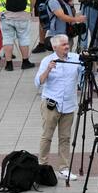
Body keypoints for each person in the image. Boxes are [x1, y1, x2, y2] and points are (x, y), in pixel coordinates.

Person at [34, 34, 82, 179]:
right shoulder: (47, 60)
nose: (67, 46)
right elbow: (38, 82)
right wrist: (48, 70)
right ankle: (42, 165)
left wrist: (90, 63)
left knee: (65, 138)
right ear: (55, 47)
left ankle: (64, 168)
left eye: (67, 44)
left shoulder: (75, 58)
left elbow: (88, 74)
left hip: (69, 104)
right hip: (51, 104)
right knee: (47, 136)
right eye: (63, 45)